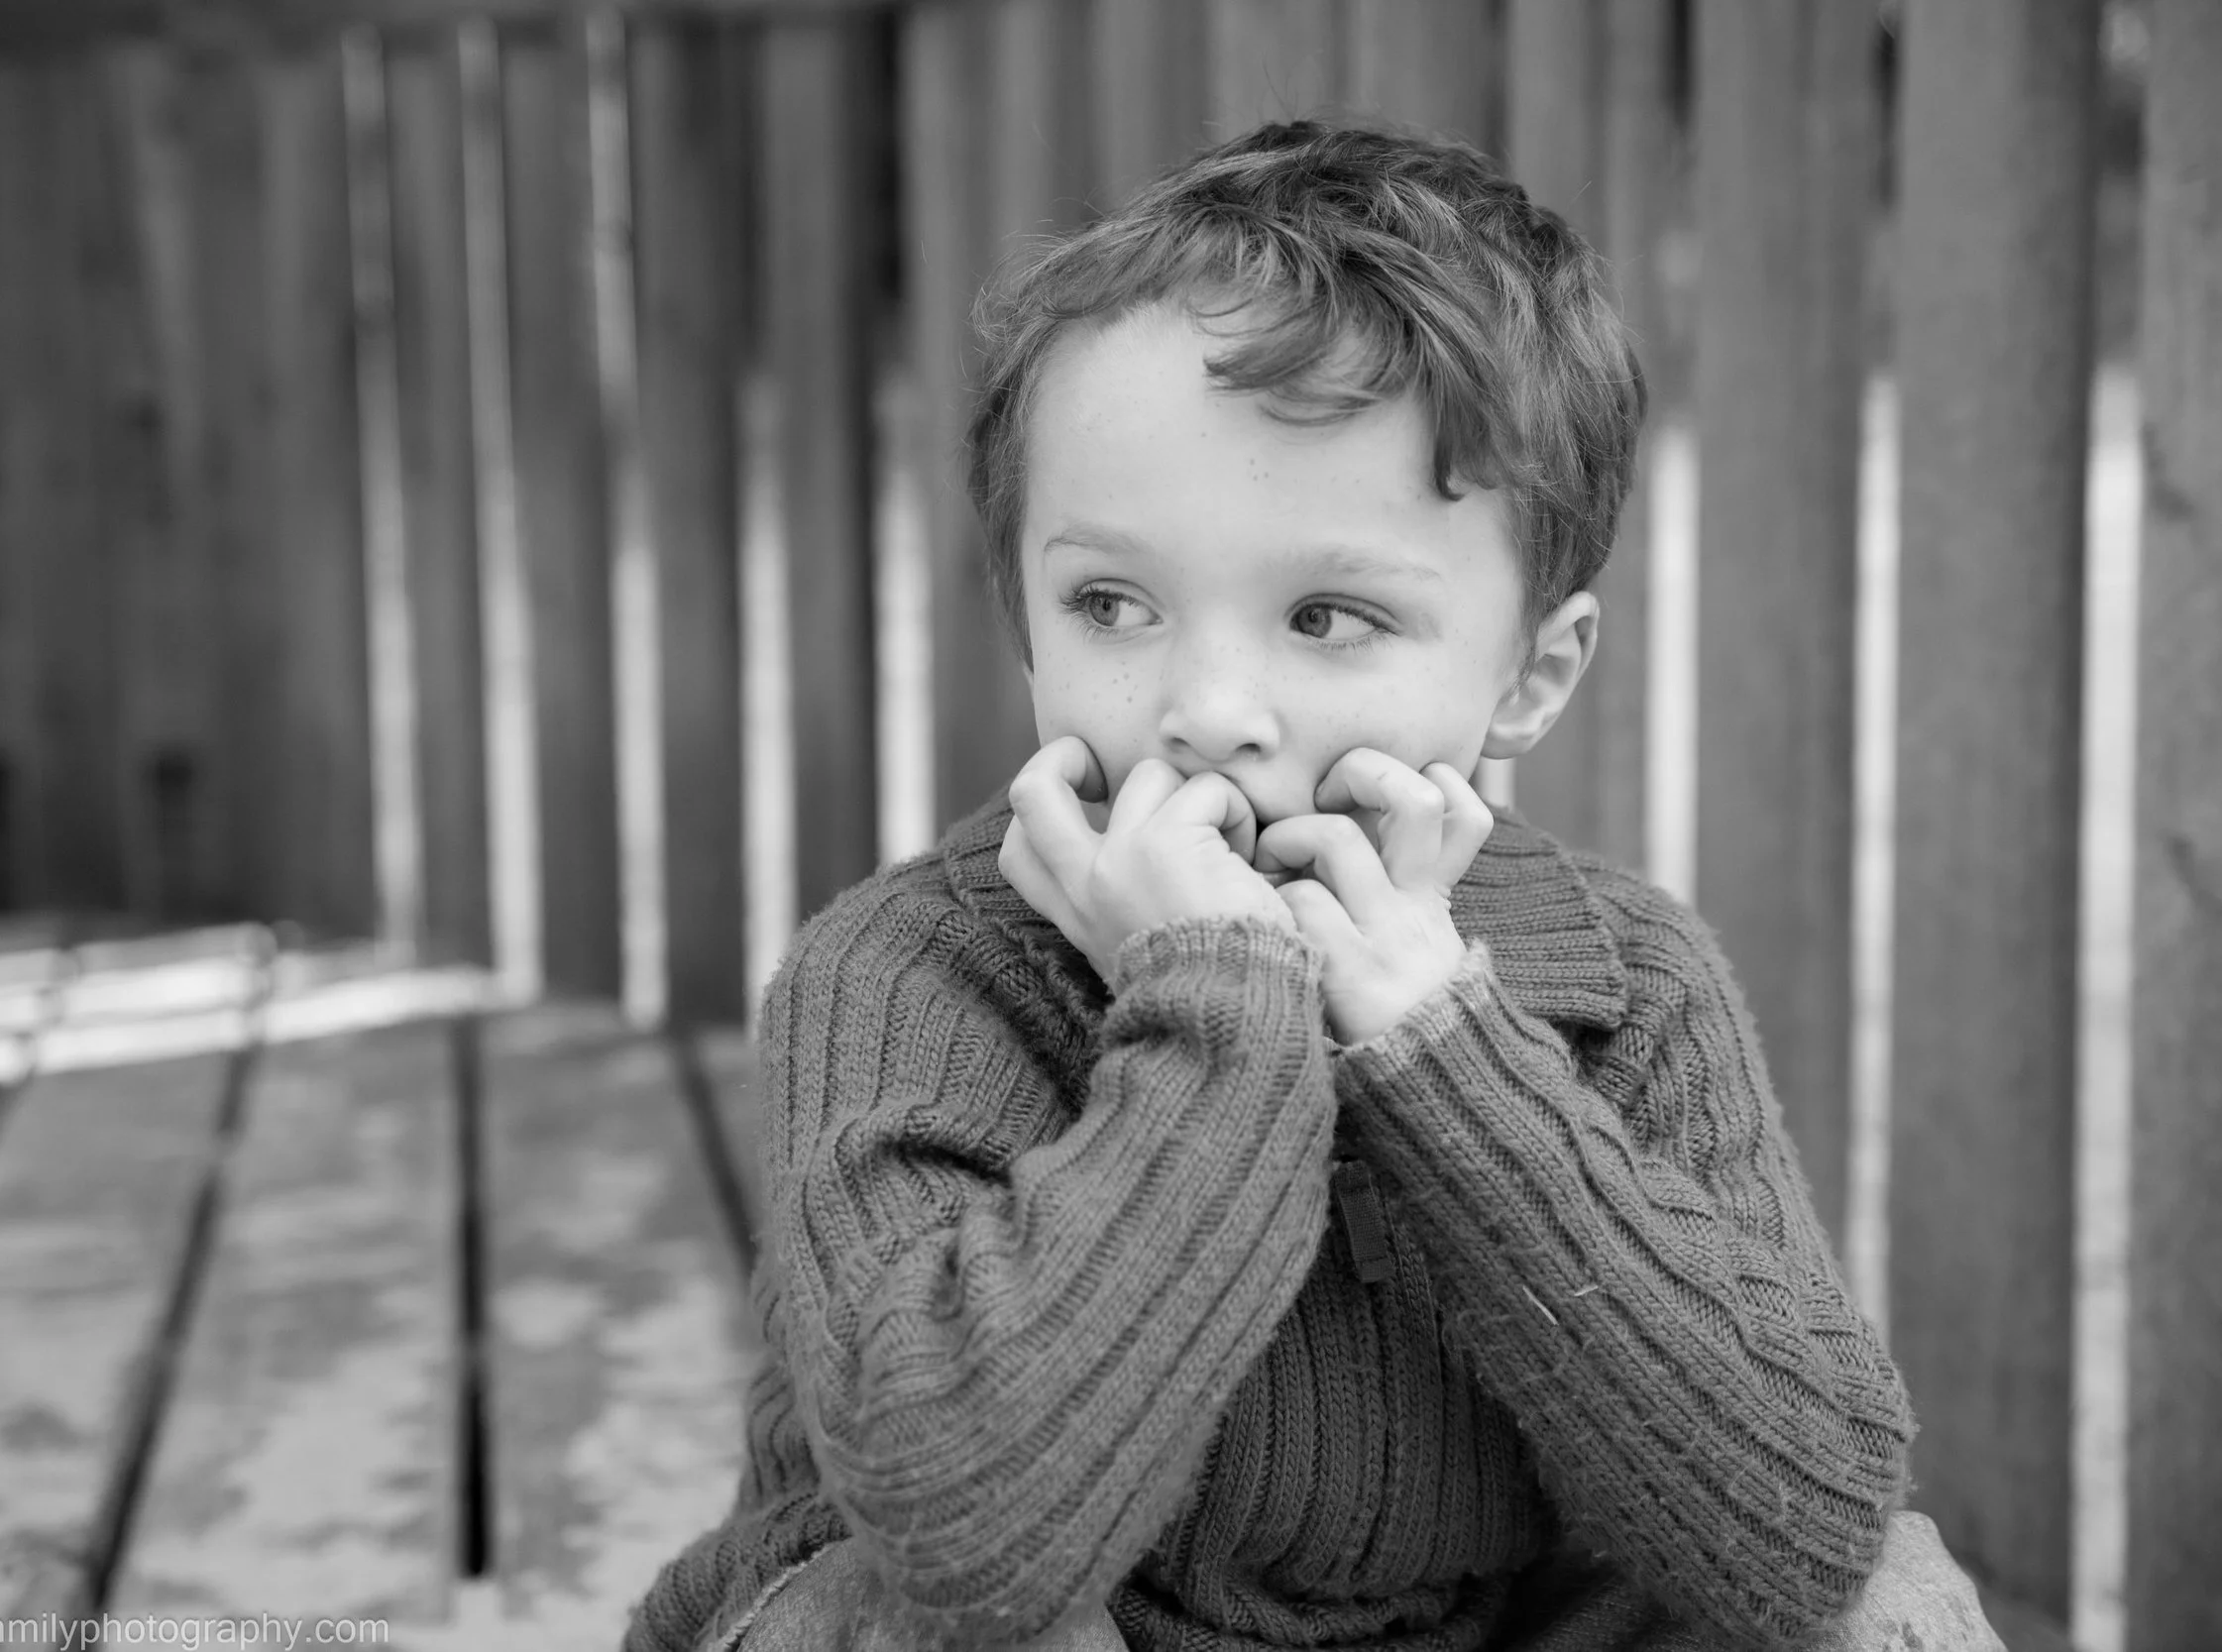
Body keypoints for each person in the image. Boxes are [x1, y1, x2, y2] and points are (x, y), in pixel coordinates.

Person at [624, 121, 2001, 1652]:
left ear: (1531, 674)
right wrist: (1222, 1017)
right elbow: (965, 1539)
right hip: (1018, 1611)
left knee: (1889, 1597)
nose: (1206, 706)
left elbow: (1810, 1528)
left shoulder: (1630, 986)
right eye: (1112, 602)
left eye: (1329, 615)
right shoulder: (910, 974)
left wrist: (1441, 1049)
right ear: (1024, 612)